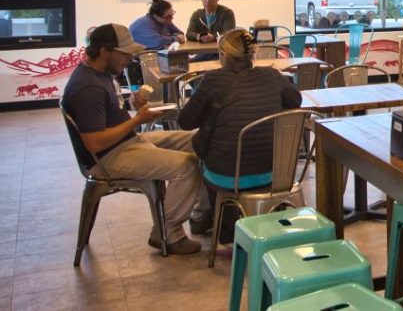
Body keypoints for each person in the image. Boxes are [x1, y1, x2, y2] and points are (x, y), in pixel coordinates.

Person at [61, 23, 204, 255]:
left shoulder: (102, 74)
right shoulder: (88, 87)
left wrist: (130, 104)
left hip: (126, 142)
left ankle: (203, 214)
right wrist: (137, 120)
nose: (129, 58)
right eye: (124, 53)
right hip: (106, 159)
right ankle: (167, 233)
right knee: (187, 166)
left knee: (198, 140)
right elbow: (95, 143)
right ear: (105, 51)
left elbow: (107, 114)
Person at [178, 29, 302, 243]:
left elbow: (185, 122)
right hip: (275, 172)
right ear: (252, 54)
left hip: (227, 176)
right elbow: (295, 101)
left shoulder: (212, 80)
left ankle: (218, 227)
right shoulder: (272, 76)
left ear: (222, 55)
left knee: (201, 160)